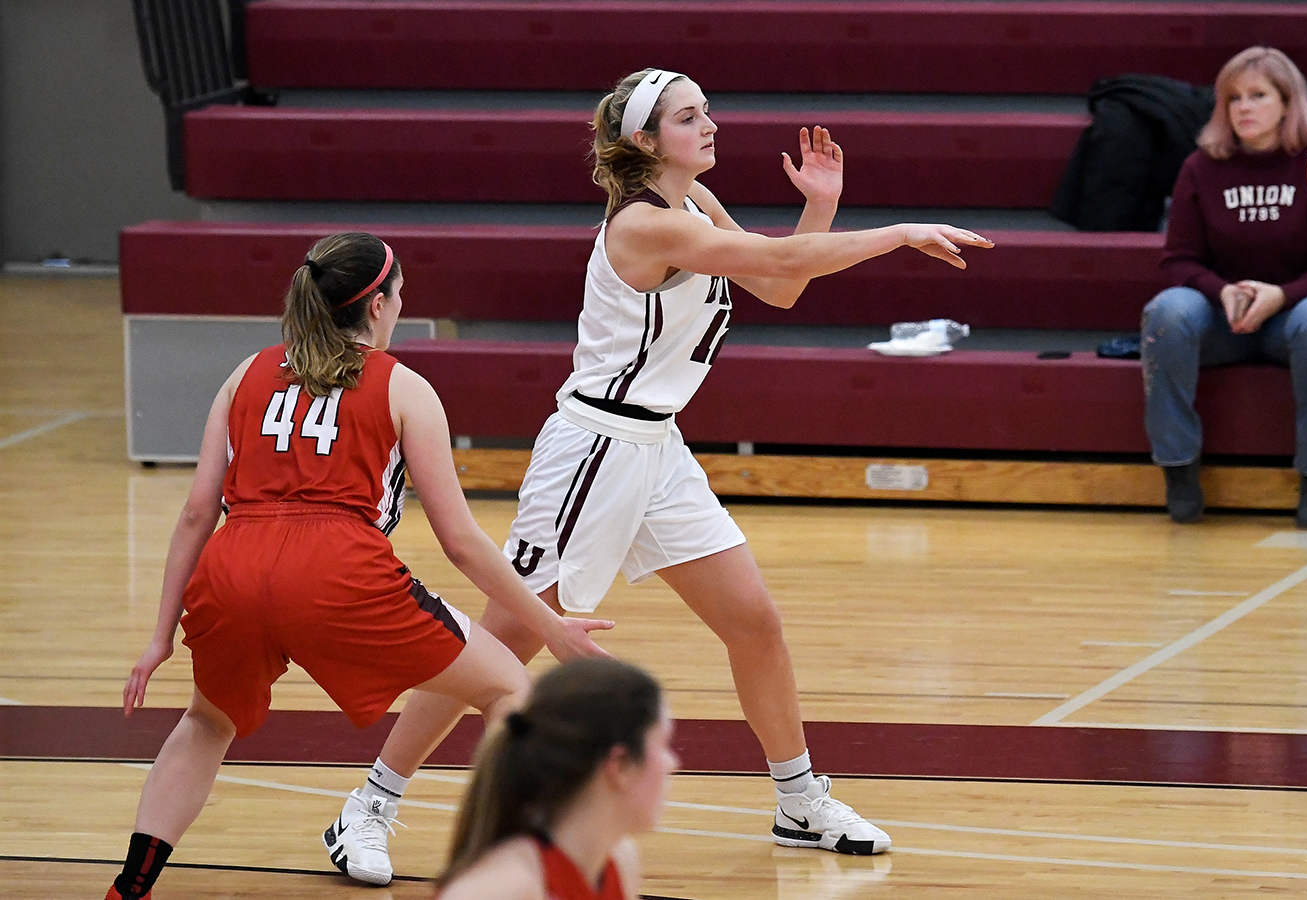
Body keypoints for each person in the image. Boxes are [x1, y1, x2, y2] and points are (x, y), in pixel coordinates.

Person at [326, 67, 993, 880]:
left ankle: (799, 800)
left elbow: (778, 280)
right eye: (688, 116)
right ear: (645, 141)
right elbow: (778, 262)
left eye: (709, 110)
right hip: (594, 451)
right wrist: (895, 232)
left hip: (657, 449)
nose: (710, 124)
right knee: (500, 639)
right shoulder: (645, 226)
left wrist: (820, 206)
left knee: (755, 623)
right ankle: (368, 807)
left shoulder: (697, 206)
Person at [106, 232, 614, 900]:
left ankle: (130, 887)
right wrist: (550, 627)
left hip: (233, 566)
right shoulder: (403, 387)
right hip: (337, 572)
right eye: (400, 294)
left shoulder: (247, 372)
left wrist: (158, 636)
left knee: (206, 723)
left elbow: (198, 512)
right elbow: (459, 540)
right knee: (507, 690)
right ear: (377, 306)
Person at [1140, 46, 1307, 529]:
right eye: (1233, 98)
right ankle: (1178, 469)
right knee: (1168, 310)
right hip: (1223, 319)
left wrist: (1281, 295)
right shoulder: (1200, 167)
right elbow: (1177, 260)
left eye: (1258, 95)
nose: (1244, 107)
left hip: (1293, 319)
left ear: (1287, 102)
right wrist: (1221, 291)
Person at [433, 658, 672, 900]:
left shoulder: (619, 860)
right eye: (662, 744)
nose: (672, 763)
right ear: (620, 765)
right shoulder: (503, 888)